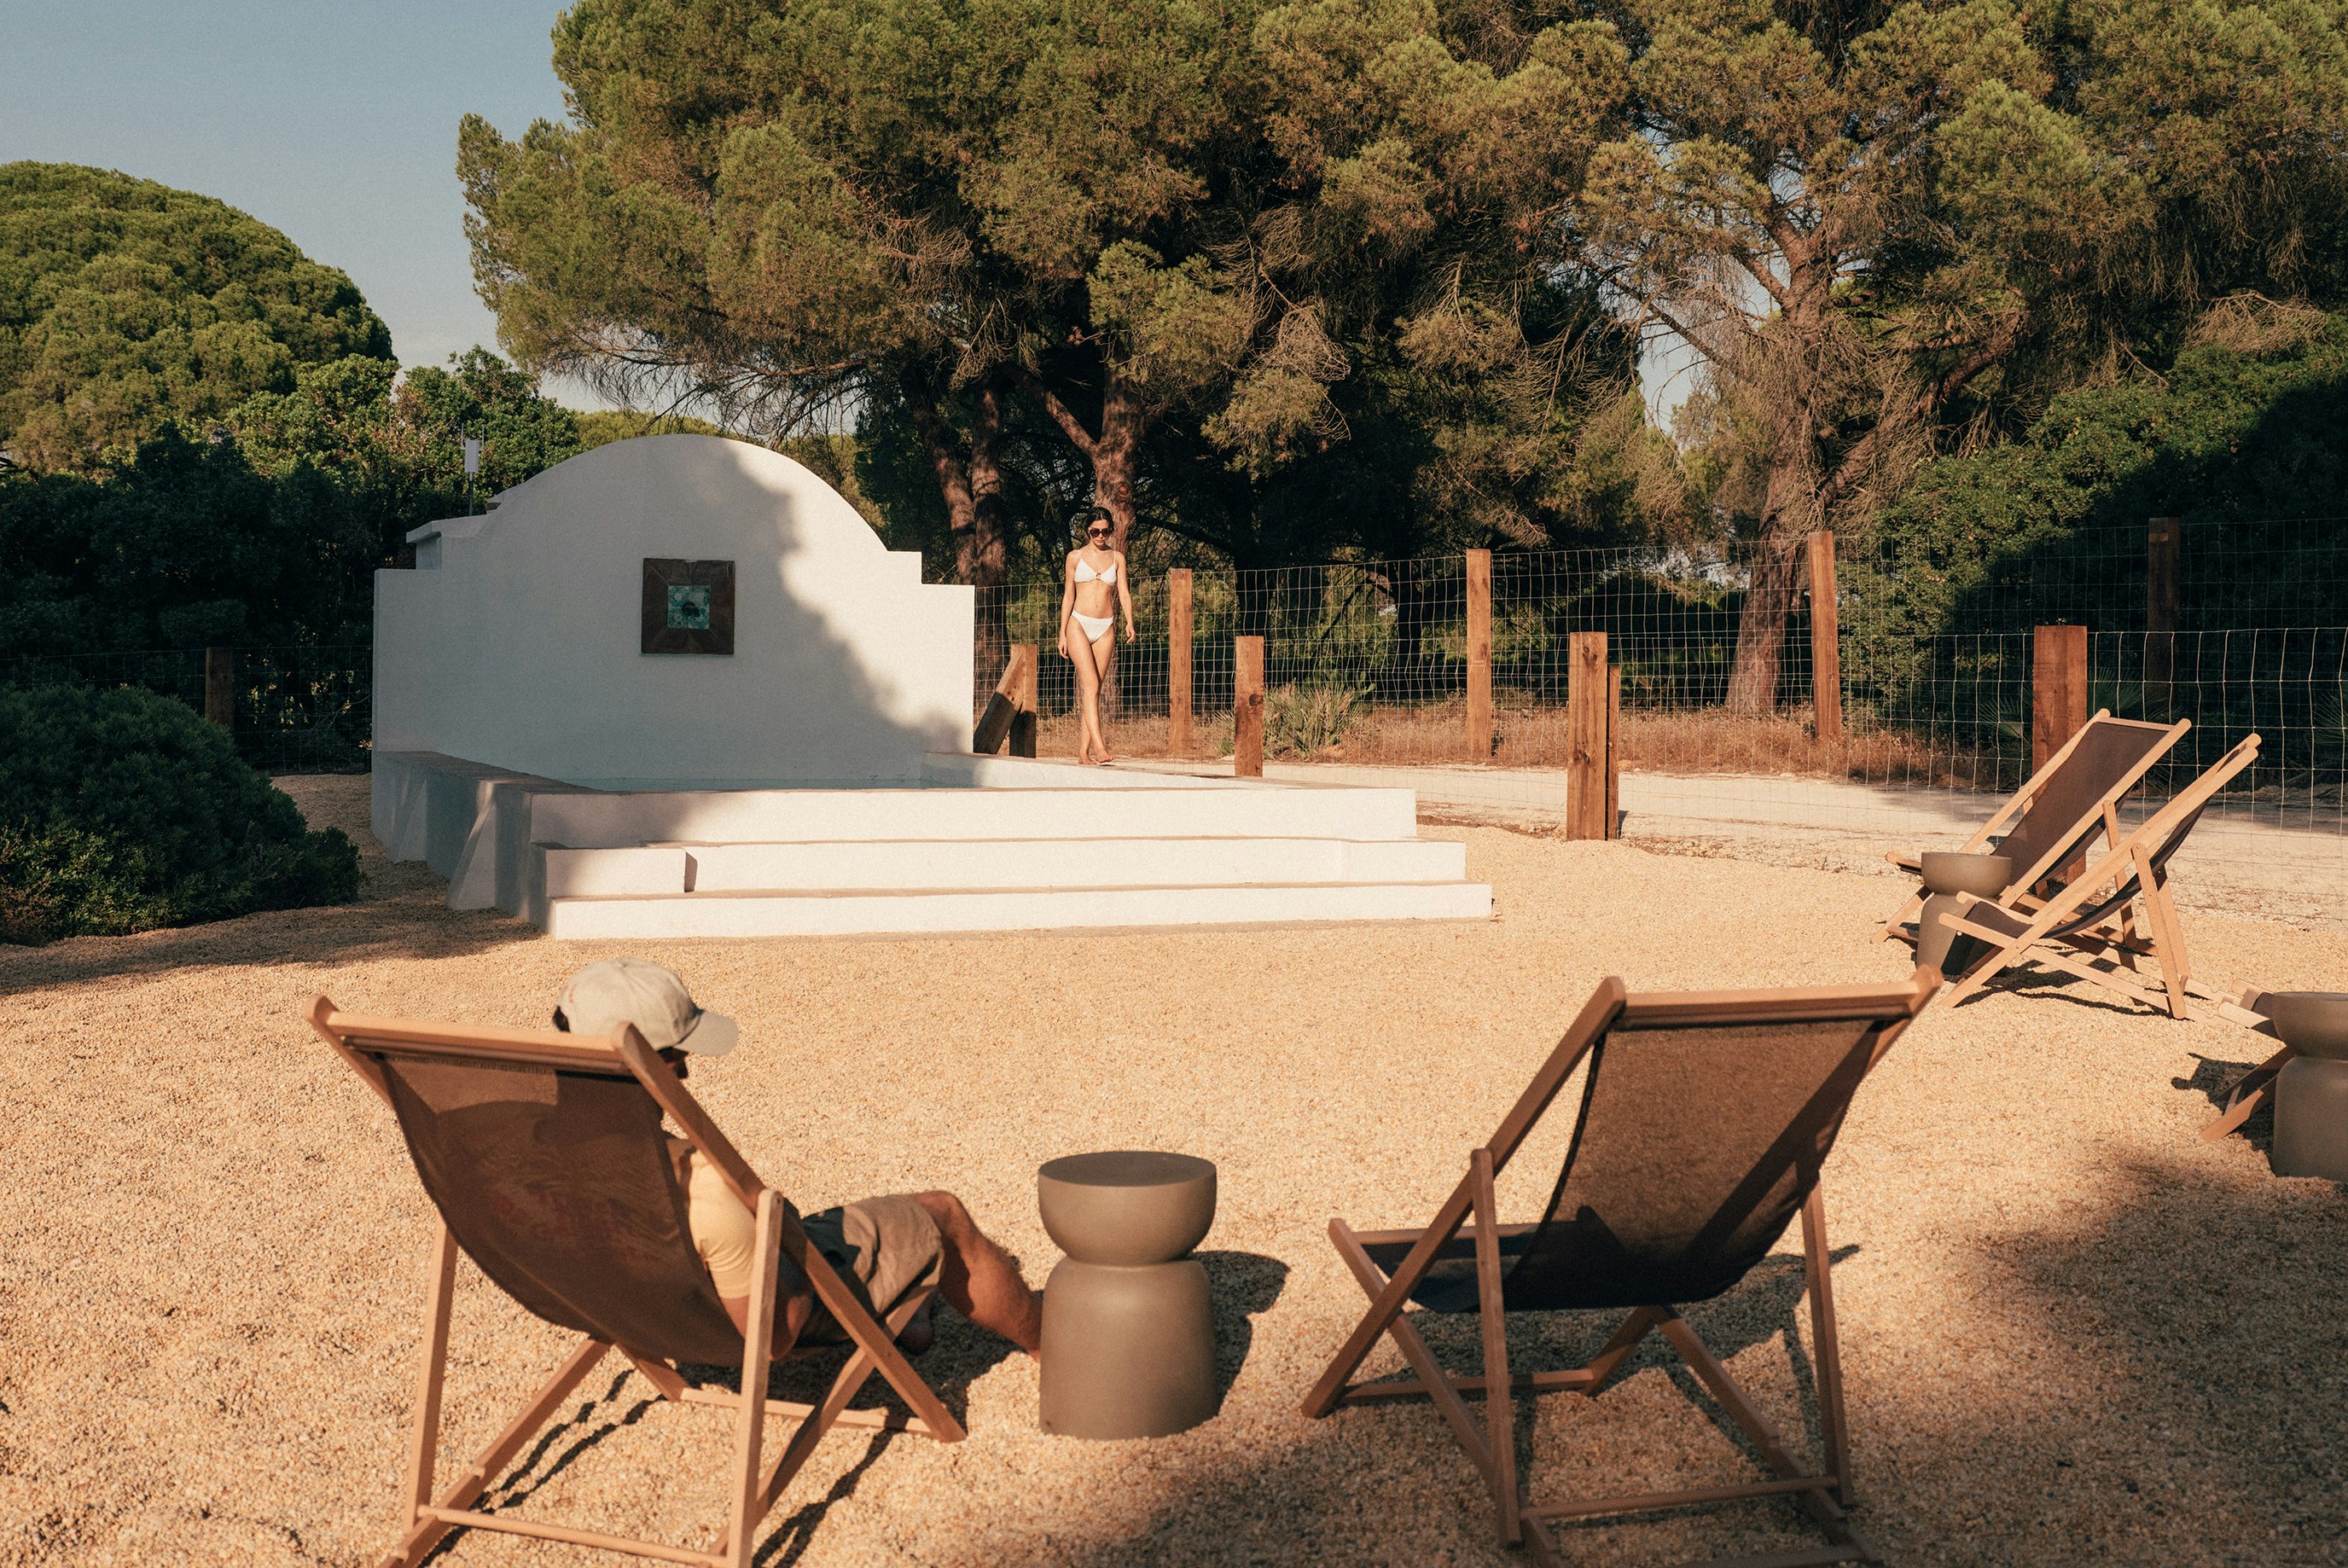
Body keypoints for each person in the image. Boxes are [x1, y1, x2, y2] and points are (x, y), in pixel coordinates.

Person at [553, 958, 1042, 1360]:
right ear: (642, 1065)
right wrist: (773, 1229)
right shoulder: (701, 1186)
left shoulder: (530, 1156)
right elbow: (777, 1334)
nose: (685, 1075)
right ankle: (1048, 1346)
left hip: (643, 1313)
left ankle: (909, 1305)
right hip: (758, 1314)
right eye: (676, 1058)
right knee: (943, 1213)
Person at [1055, 505, 1135, 766]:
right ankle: (1100, 747)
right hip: (1078, 624)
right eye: (1095, 531)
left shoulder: (1118, 558)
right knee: (1090, 685)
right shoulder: (1074, 557)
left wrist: (1130, 622)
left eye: (1106, 531)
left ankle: (1083, 753)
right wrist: (1062, 634)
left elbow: (1124, 592)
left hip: (1106, 627)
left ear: (1111, 530)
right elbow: (1068, 596)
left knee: (1095, 689)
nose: (1101, 536)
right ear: (1087, 530)